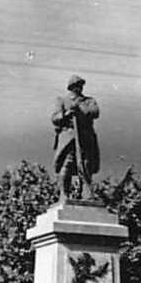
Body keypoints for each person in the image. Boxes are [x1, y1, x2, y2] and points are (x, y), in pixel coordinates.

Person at [52, 75, 100, 203]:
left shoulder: (88, 101)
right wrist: (66, 114)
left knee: (85, 165)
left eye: (80, 86)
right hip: (69, 136)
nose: (79, 88)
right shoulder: (62, 100)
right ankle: (64, 193)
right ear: (71, 87)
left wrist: (79, 108)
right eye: (76, 86)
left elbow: (94, 112)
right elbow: (55, 118)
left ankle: (87, 193)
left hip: (85, 136)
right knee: (67, 164)